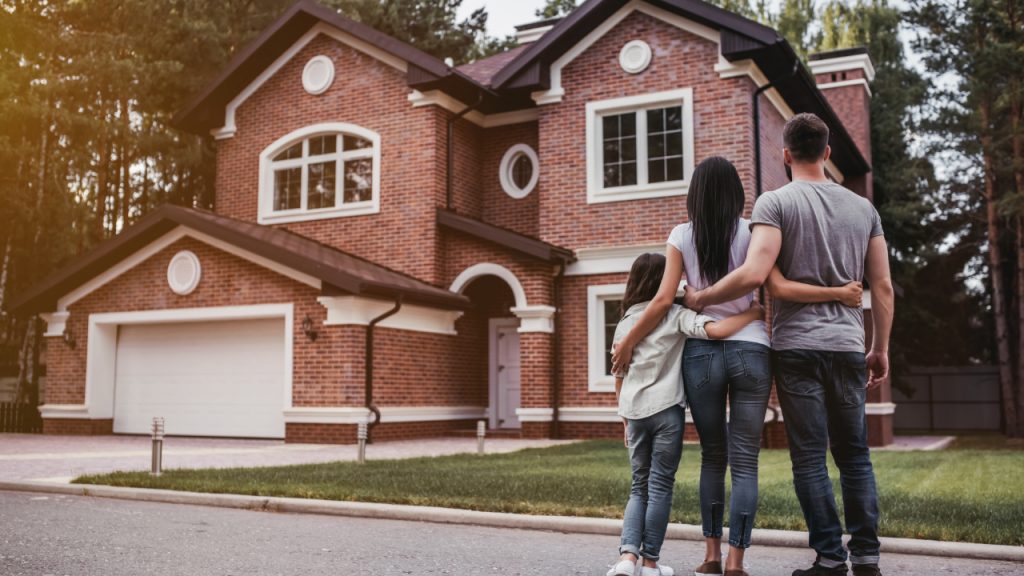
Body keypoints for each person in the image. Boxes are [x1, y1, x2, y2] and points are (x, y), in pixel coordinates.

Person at [611, 157, 862, 576]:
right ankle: (735, 562)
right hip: (751, 351)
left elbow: (660, 301)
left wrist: (628, 344)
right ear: (737, 194)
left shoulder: (680, 235)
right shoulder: (754, 231)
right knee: (745, 461)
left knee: (713, 457)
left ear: (694, 194)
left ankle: (710, 556)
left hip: (702, 355)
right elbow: (774, 284)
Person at [682, 113, 895, 576]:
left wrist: (700, 297)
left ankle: (830, 559)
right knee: (855, 454)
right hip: (846, 344)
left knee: (810, 456)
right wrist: (879, 348)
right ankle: (868, 557)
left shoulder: (775, 203)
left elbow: (757, 275)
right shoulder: (864, 209)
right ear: (827, 152)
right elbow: (882, 288)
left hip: (797, 347)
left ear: (784, 155)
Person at [608, 252, 765, 576]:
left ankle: (627, 557)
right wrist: (752, 313)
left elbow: (618, 374)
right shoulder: (676, 315)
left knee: (639, 486)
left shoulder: (624, 323)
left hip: (634, 414)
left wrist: (624, 417)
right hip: (667, 412)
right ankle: (651, 562)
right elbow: (718, 331)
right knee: (660, 486)